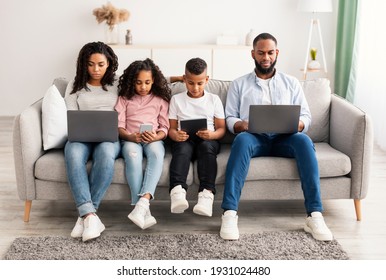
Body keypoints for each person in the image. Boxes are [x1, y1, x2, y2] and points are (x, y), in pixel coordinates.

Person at [219, 33, 333, 241]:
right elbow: (229, 117)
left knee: (304, 141)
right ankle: (229, 213)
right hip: (254, 137)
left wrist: (297, 124)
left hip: (285, 138)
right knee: (241, 140)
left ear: (276, 53)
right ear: (252, 54)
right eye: (261, 53)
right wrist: (241, 124)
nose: (266, 57)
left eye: (270, 53)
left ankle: (315, 215)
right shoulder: (239, 84)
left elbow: (306, 116)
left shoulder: (291, 83)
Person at [64, 42, 120, 242]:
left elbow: (147, 80)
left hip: (109, 136)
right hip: (81, 135)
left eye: (101, 64)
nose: (96, 69)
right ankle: (90, 216)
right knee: (73, 153)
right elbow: (70, 114)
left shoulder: (118, 83)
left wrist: (174, 79)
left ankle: (86, 215)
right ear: (83, 64)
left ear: (109, 63)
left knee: (106, 154)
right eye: (91, 64)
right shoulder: (75, 85)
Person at [115, 58, 171, 229]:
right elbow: (119, 126)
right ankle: (140, 208)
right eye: (138, 82)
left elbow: (165, 128)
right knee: (133, 157)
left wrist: (156, 136)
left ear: (153, 81)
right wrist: (131, 137)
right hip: (131, 138)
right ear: (133, 81)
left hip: (152, 139)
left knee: (156, 153)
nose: (143, 87)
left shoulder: (160, 100)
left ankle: (143, 202)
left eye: (147, 82)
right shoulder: (124, 99)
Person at [168, 57, 226, 217]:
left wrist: (212, 134)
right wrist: (175, 135)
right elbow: (171, 129)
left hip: (208, 140)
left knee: (207, 147)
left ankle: (206, 196)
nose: (195, 87)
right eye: (191, 83)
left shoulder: (214, 99)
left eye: (200, 83)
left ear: (207, 80)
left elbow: (222, 129)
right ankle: (177, 193)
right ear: (184, 79)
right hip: (184, 140)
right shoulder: (176, 100)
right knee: (182, 149)